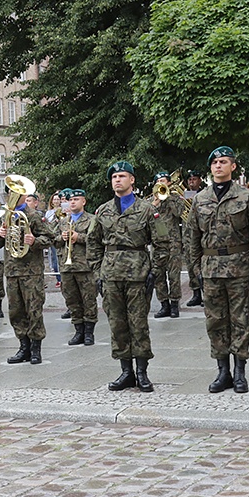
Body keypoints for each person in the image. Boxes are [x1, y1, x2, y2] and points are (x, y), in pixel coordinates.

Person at [187, 147, 249, 393]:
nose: (218, 166)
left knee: (241, 320)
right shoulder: (200, 199)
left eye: (223, 162)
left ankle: (240, 372)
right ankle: (223, 372)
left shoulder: (245, 198)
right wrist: (195, 272)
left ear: (233, 166)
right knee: (215, 322)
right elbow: (192, 238)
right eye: (214, 162)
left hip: (240, 267)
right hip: (210, 269)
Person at [88, 162, 169, 392]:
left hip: (138, 275)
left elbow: (162, 243)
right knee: (117, 324)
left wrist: (155, 271)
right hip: (111, 275)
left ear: (132, 180)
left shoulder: (146, 209)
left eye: (122, 176)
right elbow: (93, 243)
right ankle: (126, 372)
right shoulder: (103, 211)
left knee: (138, 325)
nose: (117, 180)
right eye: (114, 176)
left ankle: (142, 372)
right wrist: (97, 272)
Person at [0, 180, 56, 365]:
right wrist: (0, 235)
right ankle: (23, 346)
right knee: (15, 311)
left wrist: (34, 241)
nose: (11, 197)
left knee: (34, 310)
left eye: (15, 193)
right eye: (9, 193)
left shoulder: (33, 216)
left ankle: (36, 348)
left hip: (31, 271)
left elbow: (50, 237)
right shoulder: (5, 216)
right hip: (12, 270)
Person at [54, 189, 99, 345]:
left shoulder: (92, 219)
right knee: (72, 300)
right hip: (67, 267)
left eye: (76, 199)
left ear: (83, 202)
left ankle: (89, 332)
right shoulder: (63, 221)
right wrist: (62, 237)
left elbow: (95, 240)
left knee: (88, 300)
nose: (72, 202)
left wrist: (77, 237)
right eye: (70, 200)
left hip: (85, 266)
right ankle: (78, 331)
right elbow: (53, 240)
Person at [151, 172, 184, 319]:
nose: (160, 183)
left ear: (169, 183)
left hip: (173, 242)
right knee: (158, 274)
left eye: (163, 181)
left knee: (174, 275)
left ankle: (175, 304)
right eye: (158, 181)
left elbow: (178, 213)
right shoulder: (150, 201)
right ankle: (164, 304)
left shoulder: (176, 198)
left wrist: (168, 197)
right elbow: (143, 218)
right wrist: (154, 204)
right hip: (157, 243)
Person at [183, 171, 205, 307]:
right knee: (190, 265)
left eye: (194, 179)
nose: (191, 181)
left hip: (201, 235)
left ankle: (206, 293)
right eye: (189, 179)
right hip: (187, 236)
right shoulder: (183, 195)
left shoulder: (205, 194)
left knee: (202, 266)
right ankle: (196, 294)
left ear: (200, 180)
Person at [45, 194, 62, 287]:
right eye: (54, 199)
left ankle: (63, 279)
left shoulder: (63, 210)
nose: (56, 201)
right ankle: (58, 279)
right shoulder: (48, 212)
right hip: (53, 237)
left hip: (60, 236)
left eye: (57, 199)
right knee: (54, 259)